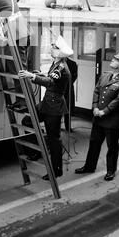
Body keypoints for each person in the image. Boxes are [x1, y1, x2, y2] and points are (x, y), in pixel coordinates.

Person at [18, 36, 72, 181]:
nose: (51, 48)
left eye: (54, 47)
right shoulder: (56, 64)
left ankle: (56, 170)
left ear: (59, 52)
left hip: (54, 107)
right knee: (28, 121)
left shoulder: (61, 67)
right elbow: (52, 79)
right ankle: (37, 149)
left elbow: (50, 82)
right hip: (46, 104)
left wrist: (32, 76)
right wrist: (39, 74)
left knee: (54, 139)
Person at [75, 50, 119, 181]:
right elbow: (96, 91)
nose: (112, 59)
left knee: (112, 146)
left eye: (116, 59)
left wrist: (103, 111)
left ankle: (111, 170)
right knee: (94, 143)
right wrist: (94, 107)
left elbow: (118, 102)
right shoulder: (105, 76)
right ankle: (89, 166)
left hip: (111, 120)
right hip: (98, 117)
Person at [64, 55, 78, 132]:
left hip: (68, 88)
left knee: (68, 107)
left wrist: (68, 83)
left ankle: (68, 127)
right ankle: (57, 126)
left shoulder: (73, 63)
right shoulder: (57, 63)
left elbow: (75, 76)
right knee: (58, 107)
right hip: (59, 88)